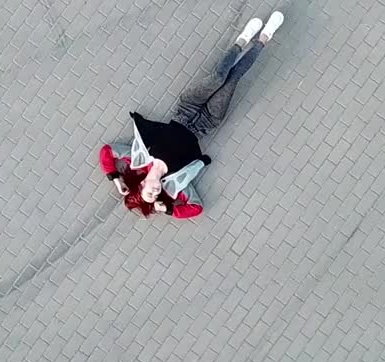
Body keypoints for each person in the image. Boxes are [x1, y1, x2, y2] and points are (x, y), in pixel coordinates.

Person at [99, 11, 283, 218]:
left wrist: (115, 177)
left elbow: (107, 151)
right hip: (207, 122)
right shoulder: (176, 182)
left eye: (149, 192)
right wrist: (167, 209)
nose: (155, 192)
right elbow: (196, 207)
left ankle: (242, 40)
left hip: (186, 109)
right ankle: (264, 39)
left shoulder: (140, 158)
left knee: (218, 77)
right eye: (155, 196)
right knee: (233, 79)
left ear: (142, 183)